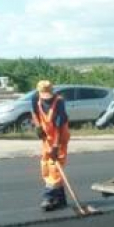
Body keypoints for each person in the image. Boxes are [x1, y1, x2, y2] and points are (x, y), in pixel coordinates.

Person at [31, 80, 71, 211]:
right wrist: (37, 127)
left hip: (60, 138)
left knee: (55, 167)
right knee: (45, 165)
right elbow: (34, 113)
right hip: (46, 137)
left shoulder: (59, 102)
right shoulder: (35, 98)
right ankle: (61, 199)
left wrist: (55, 146)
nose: (46, 98)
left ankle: (48, 197)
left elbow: (59, 126)